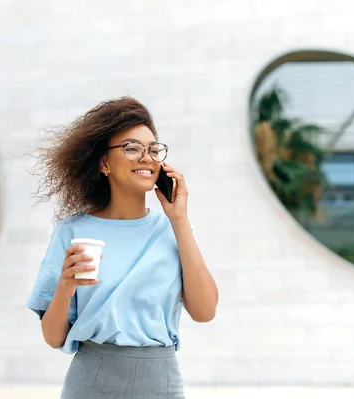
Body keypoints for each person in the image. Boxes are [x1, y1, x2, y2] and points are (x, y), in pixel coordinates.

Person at [26, 96, 218, 399]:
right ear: (104, 162)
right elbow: (53, 337)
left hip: (160, 382)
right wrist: (65, 286)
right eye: (132, 148)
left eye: (153, 149)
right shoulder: (73, 231)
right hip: (90, 381)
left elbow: (205, 311)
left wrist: (179, 219)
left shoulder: (174, 229)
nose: (146, 157)